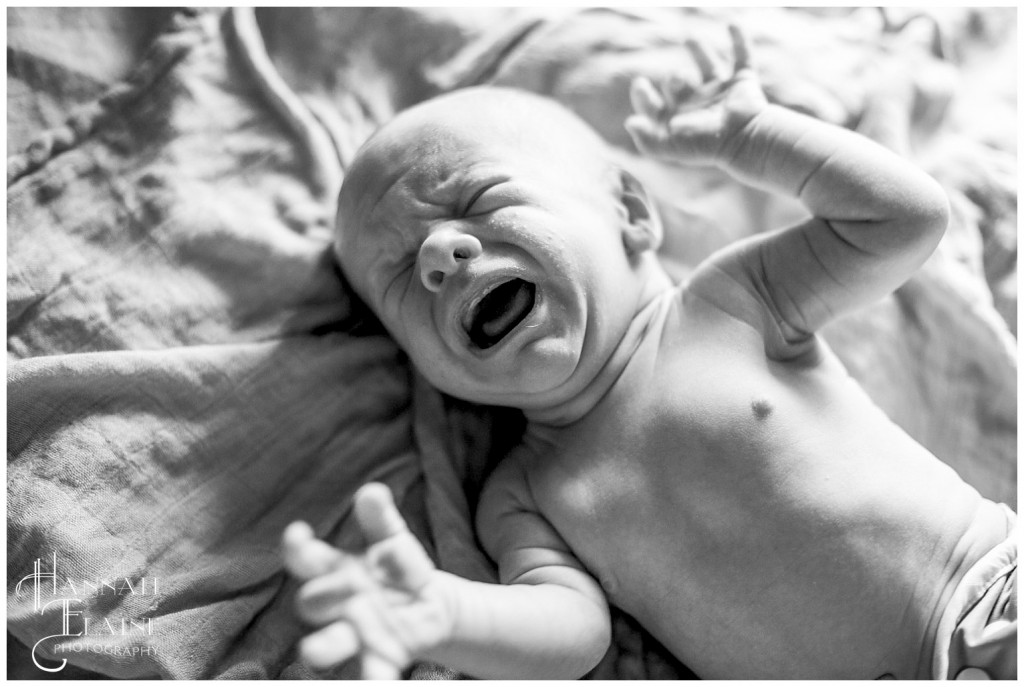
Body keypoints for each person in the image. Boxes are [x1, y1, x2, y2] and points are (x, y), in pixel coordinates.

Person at [281, 26, 1016, 680]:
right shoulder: (525, 494)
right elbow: (571, 638)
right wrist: (448, 612)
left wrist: (752, 136)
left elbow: (902, 221)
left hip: (986, 594)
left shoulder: (731, 303)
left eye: (477, 200)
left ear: (630, 213)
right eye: (403, 273)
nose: (441, 253)